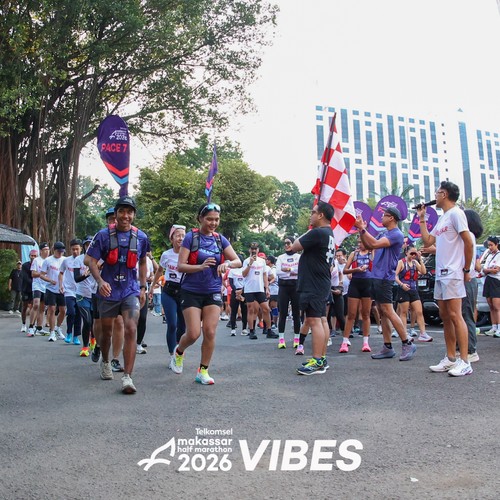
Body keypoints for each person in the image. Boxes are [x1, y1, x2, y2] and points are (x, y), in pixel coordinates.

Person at [85, 196, 150, 394]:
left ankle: (127, 377)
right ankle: (105, 360)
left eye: (129, 212)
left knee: (131, 327)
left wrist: (142, 287)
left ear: (134, 215)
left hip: (130, 290)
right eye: (122, 211)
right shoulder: (103, 235)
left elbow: (142, 262)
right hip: (109, 290)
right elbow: (89, 260)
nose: (125, 216)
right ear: (115, 214)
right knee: (106, 333)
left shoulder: (141, 237)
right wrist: (100, 281)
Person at [172, 203, 241, 385]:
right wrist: (200, 267)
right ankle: (178, 352)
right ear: (200, 218)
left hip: (212, 291)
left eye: (216, 219)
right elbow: (181, 266)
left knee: (209, 331)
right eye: (209, 219)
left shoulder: (220, 240)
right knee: (193, 333)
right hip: (191, 291)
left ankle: (203, 371)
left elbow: (238, 261)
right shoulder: (191, 237)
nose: (213, 223)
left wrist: (227, 264)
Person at [418, 181, 474, 377]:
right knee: (445, 316)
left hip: (453, 272)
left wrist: (466, 268)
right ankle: (450, 358)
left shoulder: (457, 214)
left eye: (438, 192)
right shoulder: (443, 218)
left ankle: (464, 361)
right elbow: (428, 241)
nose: (435, 195)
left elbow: (468, 242)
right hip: (441, 274)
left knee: (456, 315)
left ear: (444, 194)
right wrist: (422, 219)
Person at [355, 206, 417, 361]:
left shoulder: (396, 234)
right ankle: (387, 347)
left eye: (384, 215)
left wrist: (363, 229)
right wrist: (361, 230)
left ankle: (407, 343)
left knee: (388, 311)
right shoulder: (385, 233)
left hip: (385, 277)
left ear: (391, 218)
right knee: (383, 312)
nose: (381, 217)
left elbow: (375, 244)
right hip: (377, 276)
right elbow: (369, 245)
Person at [292, 201, 335, 375]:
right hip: (321, 282)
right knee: (321, 320)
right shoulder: (329, 233)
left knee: (314, 321)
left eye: (313, 212)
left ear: (321, 215)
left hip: (314, 284)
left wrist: (309, 230)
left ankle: (317, 361)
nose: (311, 215)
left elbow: (294, 246)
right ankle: (321, 358)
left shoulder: (317, 232)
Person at [150, 224, 186, 370]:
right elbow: (159, 271)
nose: (181, 238)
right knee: (172, 324)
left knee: (183, 327)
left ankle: (178, 352)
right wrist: (152, 286)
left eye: (183, 236)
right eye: (178, 235)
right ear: (171, 238)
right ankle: (172, 355)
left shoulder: (189, 254)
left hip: (184, 292)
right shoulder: (166, 255)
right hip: (168, 291)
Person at [338, 239, 373, 353]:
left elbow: (376, 267)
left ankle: (366, 342)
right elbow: (345, 270)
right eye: (358, 242)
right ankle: (345, 341)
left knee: (366, 314)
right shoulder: (354, 254)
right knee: (351, 314)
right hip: (355, 284)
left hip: (368, 284)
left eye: (361, 242)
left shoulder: (371, 253)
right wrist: (356, 269)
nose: (359, 244)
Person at [394, 246, 433, 342]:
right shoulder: (401, 262)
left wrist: (420, 259)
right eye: (411, 253)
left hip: (413, 289)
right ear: (406, 253)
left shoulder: (415, 263)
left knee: (419, 311)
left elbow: (423, 271)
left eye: (415, 253)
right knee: (404, 312)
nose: (413, 255)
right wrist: (402, 284)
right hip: (404, 290)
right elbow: (395, 276)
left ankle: (423, 333)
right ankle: (404, 333)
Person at [242, 243, 277, 340]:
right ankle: (251, 331)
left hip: (260, 289)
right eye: (252, 249)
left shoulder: (262, 261)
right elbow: (244, 274)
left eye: (255, 249)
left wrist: (267, 288)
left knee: (266, 309)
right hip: (249, 289)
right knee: (251, 309)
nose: (254, 250)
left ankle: (269, 330)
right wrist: (250, 264)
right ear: (249, 250)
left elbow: (265, 275)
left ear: (258, 250)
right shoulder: (246, 261)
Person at [461, 209, 483, 361]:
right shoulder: (467, 236)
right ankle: (462, 348)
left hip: (468, 279)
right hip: (466, 279)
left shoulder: (469, 236)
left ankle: (471, 350)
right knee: (462, 314)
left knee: (466, 314)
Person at [74, 236, 97, 357]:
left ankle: (93, 339)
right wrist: (86, 275)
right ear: (83, 246)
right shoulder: (78, 260)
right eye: (86, 245)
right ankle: (85, 347)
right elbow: (76, 279)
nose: (88, 247)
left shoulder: (98, 258)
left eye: (90, 244)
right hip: (82, 294)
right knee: (87, 321)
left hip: (95, 294)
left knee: (94, 321)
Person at [275, 237, 301, 348]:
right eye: (285, 243)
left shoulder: (299, 257)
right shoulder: (281, 257)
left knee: (296, 313)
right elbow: (278, 272)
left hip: (295, 286)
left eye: (288, 243)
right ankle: (281, 339)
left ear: (293, 243)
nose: (286, 245)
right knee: (283, 313)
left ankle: (297, 338)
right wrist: (292, 272)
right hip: (283, 286)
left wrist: (288, 270)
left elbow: (300, 271)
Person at [41, 241, 67, 342]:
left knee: (63, 310)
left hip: (62, 289)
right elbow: (42, 275)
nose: (60, 253)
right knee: (52, 309)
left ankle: (58, 328)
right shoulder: (48, 260)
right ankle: (52, 332)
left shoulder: (65, 260)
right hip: (51, 288)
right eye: (58, 251)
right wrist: (50, 280)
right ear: (54, 250)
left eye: (62, 252)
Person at [59, 238, 83, 345]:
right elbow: (61, 273)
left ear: (81, 249)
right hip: (69, 290)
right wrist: (61, 285)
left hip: (80, 291)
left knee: (78, 314)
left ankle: (76, 336)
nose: (75, 251)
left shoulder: (84, 260)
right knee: (71, 312)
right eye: (73, 249)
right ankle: (69, 332)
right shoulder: (66, 261)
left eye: (77, 249)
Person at [28, 243, 50, 336]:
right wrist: (42, 273)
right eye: (45, 249)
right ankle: (31, 327)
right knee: (36, 304)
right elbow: (33, 274)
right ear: (41, 251)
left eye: (48, 249)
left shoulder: (50, 261)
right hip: (37, 286)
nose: (47, 251)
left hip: (46, 286)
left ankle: (39, 328)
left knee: (42, 308)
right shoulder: (36, 260)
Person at [481, 236, 500, 338]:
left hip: (496, 281)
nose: (490, 247)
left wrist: (488, 270)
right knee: (491, 305)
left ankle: (499, 328)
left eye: (491, 245)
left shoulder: (499, 255)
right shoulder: (489, 256)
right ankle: (494, 327)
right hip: (488, 280)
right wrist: (489, 270)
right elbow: (484, 269)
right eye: (488, 245)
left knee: (497, 306)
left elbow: (496, 270)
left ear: (496, 245)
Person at [20, 250, 37, 333]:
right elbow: (26, 278)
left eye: (35, 256)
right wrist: (35, 282)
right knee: (24, 306)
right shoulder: (25, 265)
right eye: (32, 255)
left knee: (35, 307)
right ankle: (23, 324)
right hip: (26, 289)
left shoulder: (39, 265)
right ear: (29, 256)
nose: (33, 257)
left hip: (35, 289)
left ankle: (32, 325)